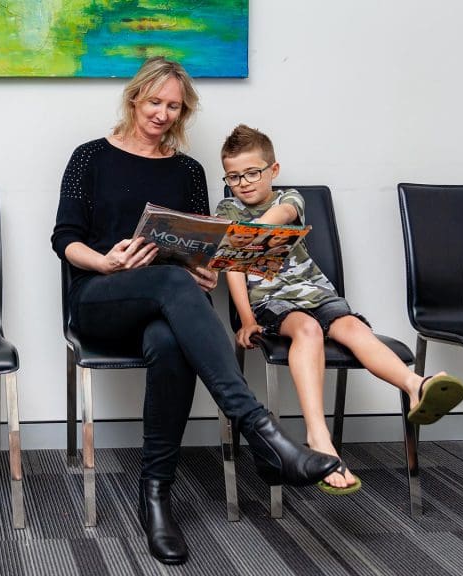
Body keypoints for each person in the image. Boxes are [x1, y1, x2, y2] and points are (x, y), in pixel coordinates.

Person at [50, 57, 340, 566]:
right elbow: (64, 239)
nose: (162, 113)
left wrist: (206, 269)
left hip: (168, 306)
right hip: (100, 299)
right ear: (135, 97)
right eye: (155, 101)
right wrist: (105, 261)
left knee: (169, 338)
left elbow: (201, 244)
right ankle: (261, 431)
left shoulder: (187, 170)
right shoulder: (88, 157)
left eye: (173, 106)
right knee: (167, 281)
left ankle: (155, 496)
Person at [216, 123, 463, 496]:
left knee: (353, 329)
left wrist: (240, 236)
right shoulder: (226, 207)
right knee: (308, 330)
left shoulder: (290, 198)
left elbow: (281, 216)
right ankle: (319, 437)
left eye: (253, 172)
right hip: (273, 303)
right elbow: (233, 269)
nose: (244, 183)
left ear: (274, 170)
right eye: (234, 176)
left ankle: (416, 385)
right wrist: (247, 319)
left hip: (318, 293)